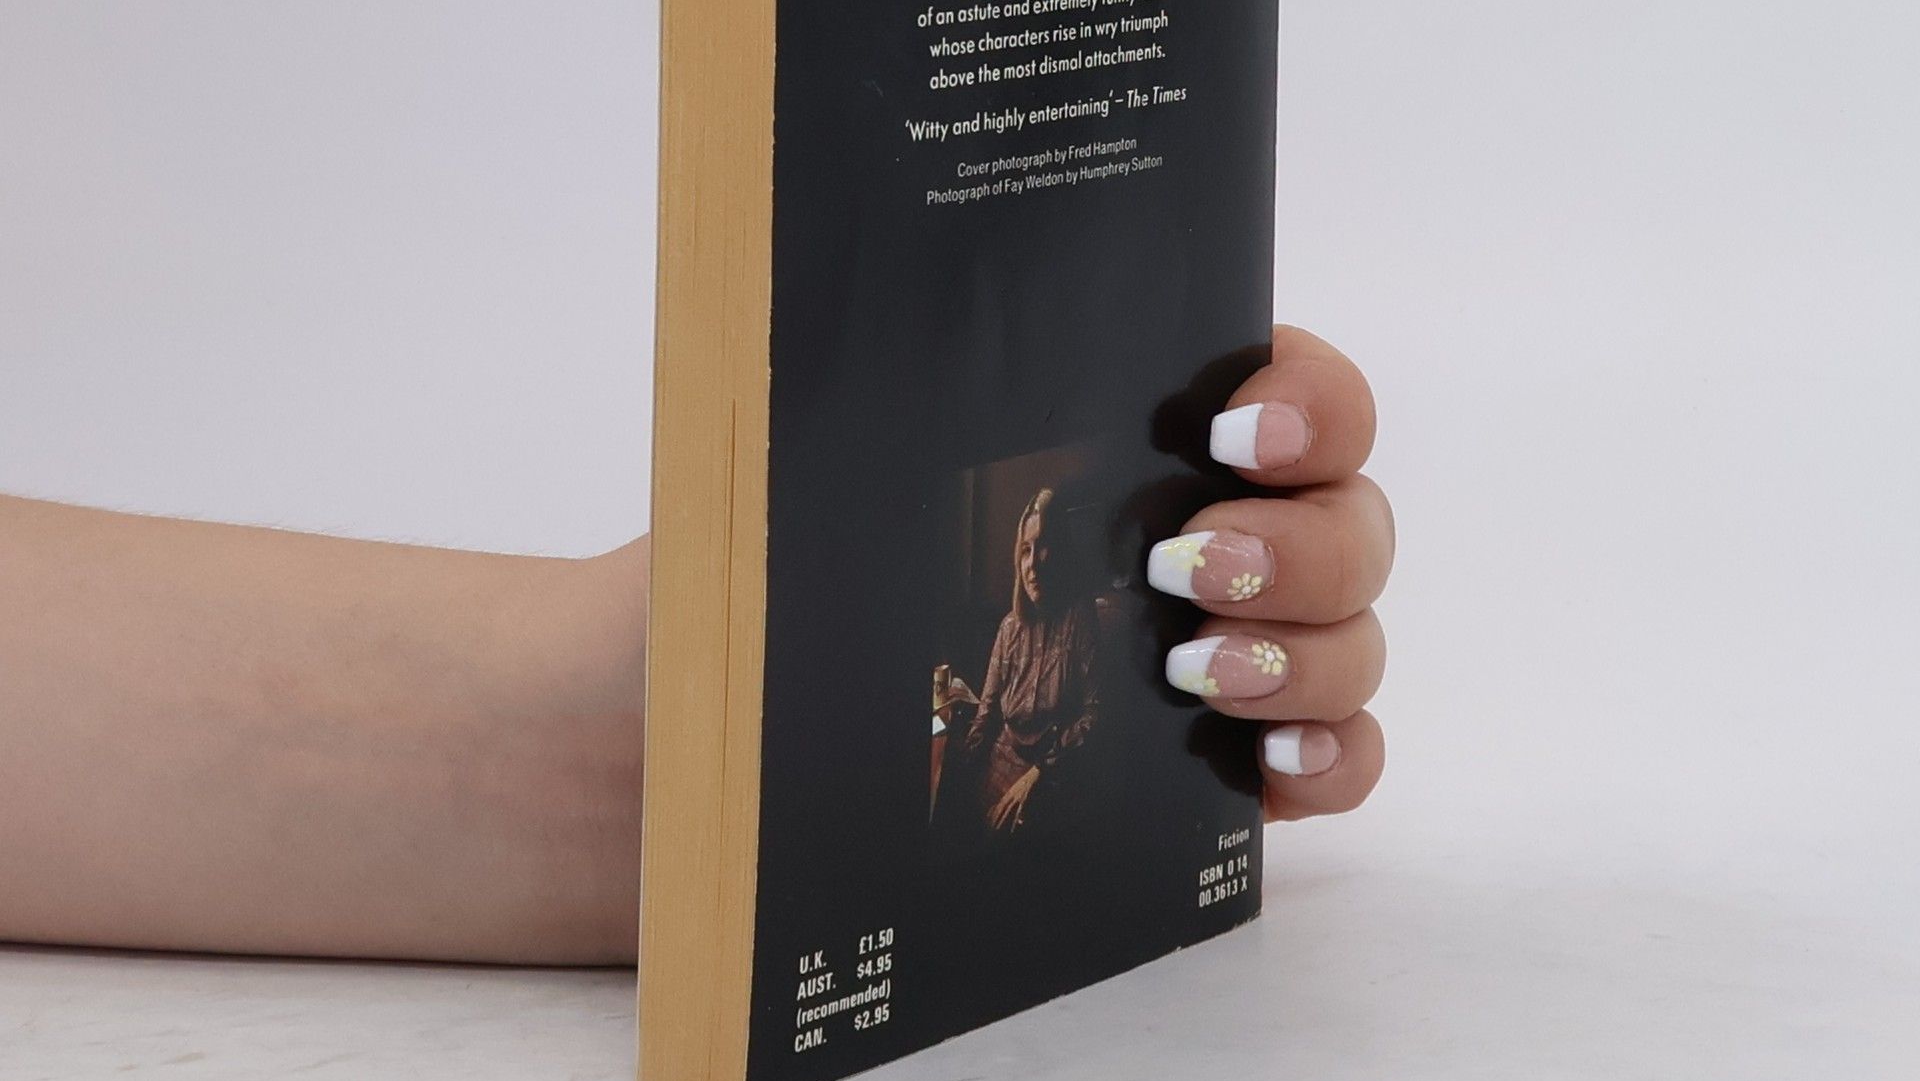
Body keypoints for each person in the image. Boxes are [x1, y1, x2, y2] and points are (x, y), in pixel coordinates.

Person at [0, 325, 1391, 965]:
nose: (1029, 555)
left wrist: (653, 723)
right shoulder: (1011, 632)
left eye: (1042, 538)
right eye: (1020, 538)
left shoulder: (1082, 625)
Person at [963, 486, 1101, 837]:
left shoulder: (1079, 617)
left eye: (1043, 546)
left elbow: (1094, 715)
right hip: (1000, 761)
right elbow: (987, 712)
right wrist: (964, 764)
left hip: (1050, 773)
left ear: (1061, 552)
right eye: (1026, 550)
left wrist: (1038, 773)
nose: (1033, 562)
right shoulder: (1009, 628)